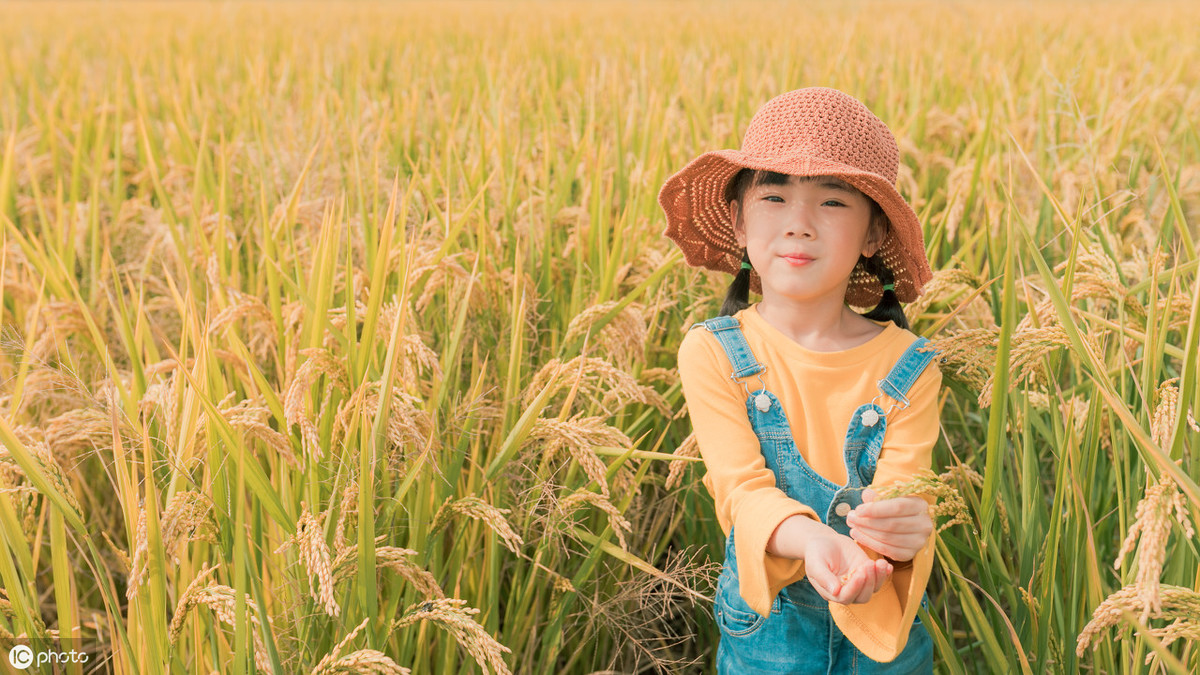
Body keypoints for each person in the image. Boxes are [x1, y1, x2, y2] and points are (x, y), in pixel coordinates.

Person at [660, 87, 943, 673]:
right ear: (737, 222)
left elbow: (905, 489)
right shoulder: (713, 352)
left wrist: (909, 525)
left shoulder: (912, 365)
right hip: (769, 642)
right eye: (774, 196)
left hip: (882, 637)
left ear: (873, 236)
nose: (799, 224)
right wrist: (816, 541)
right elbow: (742, 493)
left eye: (833, 202)